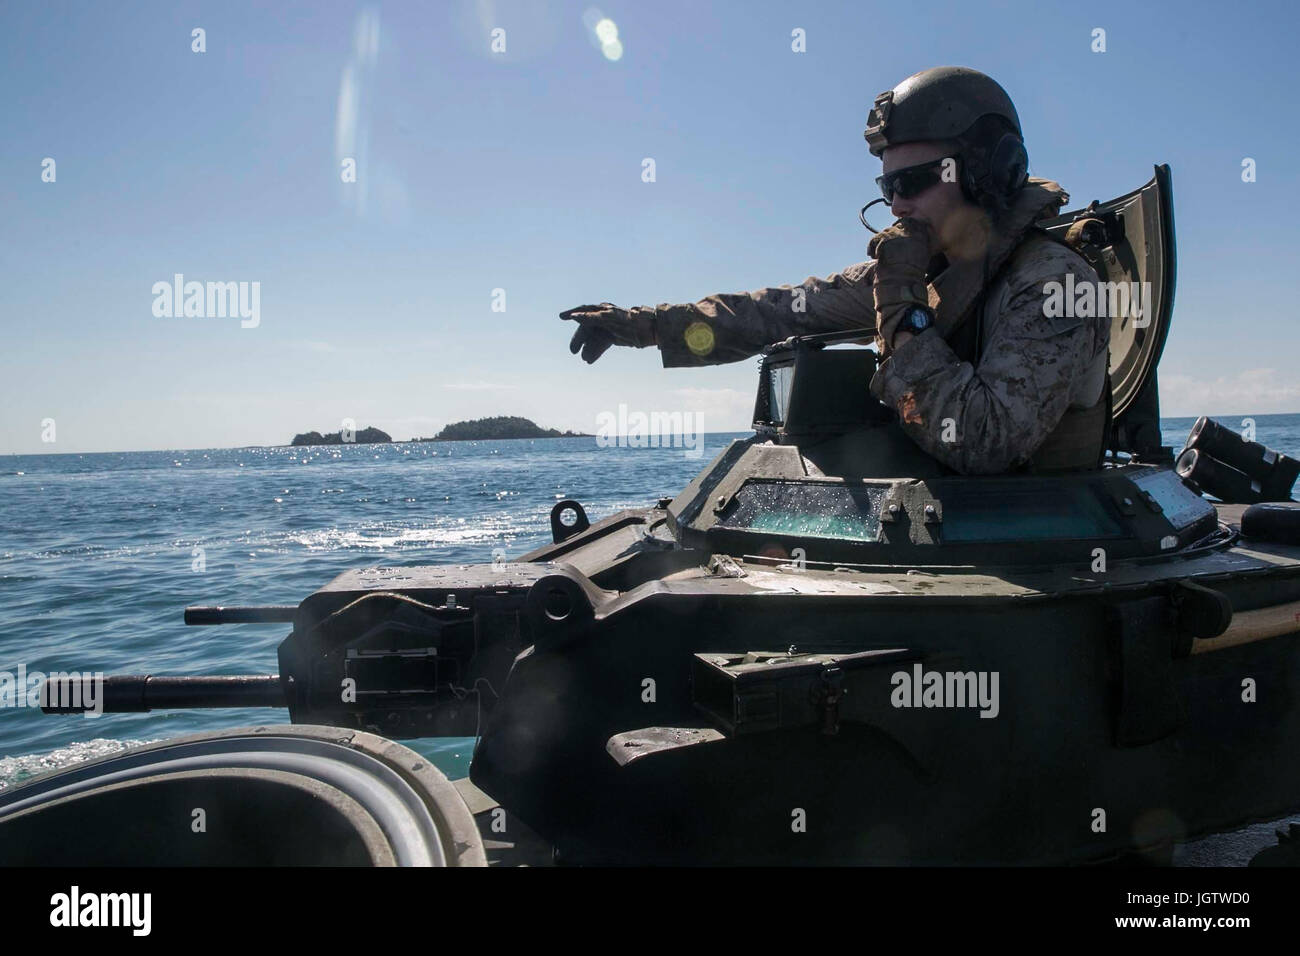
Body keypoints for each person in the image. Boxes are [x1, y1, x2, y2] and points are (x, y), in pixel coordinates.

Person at [561, 67, 1111, 475]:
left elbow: (984, 439)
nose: (897, 206)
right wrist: (650, 326)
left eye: (913, 182)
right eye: (887, 187)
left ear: (986, 174)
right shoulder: (926, 271)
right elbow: (776, 310)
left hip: (1033, 551)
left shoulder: (1052, 285)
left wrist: (903, 311)